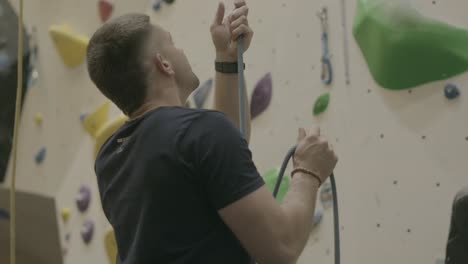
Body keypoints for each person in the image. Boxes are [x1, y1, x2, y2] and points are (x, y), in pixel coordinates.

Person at [86, 1, 338, 263]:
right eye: (172, 43)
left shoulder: (111, 158)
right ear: (164, 63)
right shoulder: (199, 134)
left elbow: (217, 163)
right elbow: (282, 248)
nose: (180, 50)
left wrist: (227, 59)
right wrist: (307, 173)